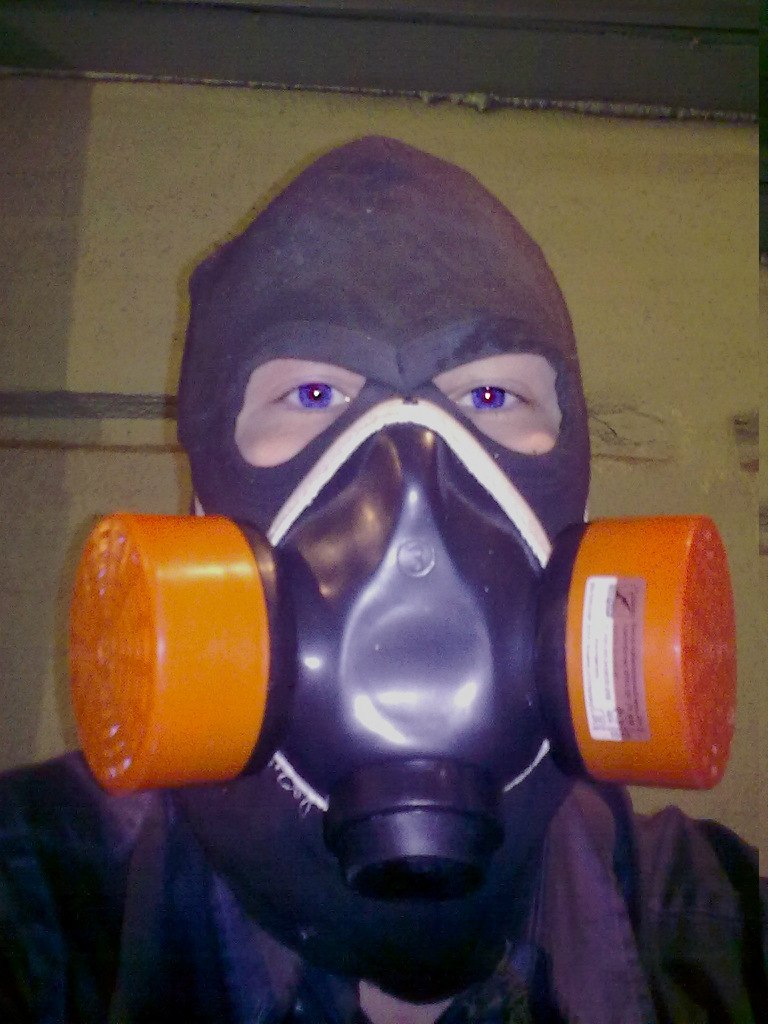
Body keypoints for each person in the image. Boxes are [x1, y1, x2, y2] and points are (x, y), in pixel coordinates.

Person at [0, 136, 764, 1023]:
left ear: (581, 494)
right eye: (313, 396)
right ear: (204, 501)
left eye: (491, 398)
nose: (412, 490)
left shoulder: (719, 936)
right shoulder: (37, 901)